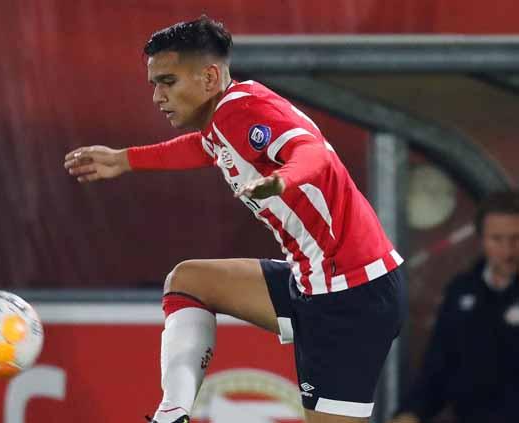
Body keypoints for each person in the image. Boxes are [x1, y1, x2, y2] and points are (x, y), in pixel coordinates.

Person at [64, 16, 405, 423]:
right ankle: (172, 413)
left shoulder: (246, 113)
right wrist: (125, 160)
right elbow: (204, 147)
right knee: (189, 282)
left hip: (353, 295)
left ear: (209, 77)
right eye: (154, 83)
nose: (157, 96)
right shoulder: (226, 117)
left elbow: (313, 153)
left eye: (168, 82)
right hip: (311, 281)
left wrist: (283, 179)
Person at [389, 191, 519, 423]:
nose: (508, 251)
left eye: (516, 239)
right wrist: (410, 414)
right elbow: (438, 367)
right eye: (497, 239)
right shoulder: (461, 291)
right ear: (481, 239)